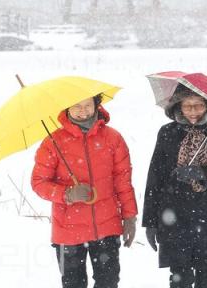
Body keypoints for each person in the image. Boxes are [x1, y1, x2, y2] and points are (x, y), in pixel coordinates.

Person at [141, 83, 207, 288]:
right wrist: (150, 222)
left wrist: (202, 173)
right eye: (188, 106)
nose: (194, 111)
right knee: (180, 280)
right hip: (175, 218)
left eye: (199, 106)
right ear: (178, 107)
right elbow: (155, 179)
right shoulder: (167, 133)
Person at [32, 94, 138, 288]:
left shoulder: (113, 138)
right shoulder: (53, 142)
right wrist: (67, 194)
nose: (83, 111)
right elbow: (39, 183)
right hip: (68, 231)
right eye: (76, 106)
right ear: (67, 108)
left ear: (97, 105)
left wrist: (130, 216)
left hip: (107, 227)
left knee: (108, 282)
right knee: (73, 284)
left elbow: (123, 181)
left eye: (87, 105)